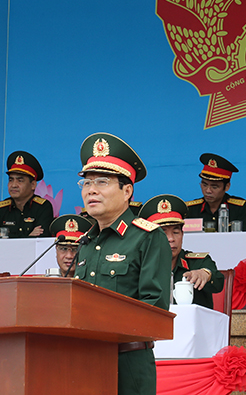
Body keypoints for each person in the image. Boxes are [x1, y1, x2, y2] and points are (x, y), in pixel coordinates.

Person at [73, 132, 170, 395]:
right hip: (82, 362)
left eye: (102, 182)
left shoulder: (148, 237)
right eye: (86, 183)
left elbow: (155, 309)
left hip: (127, 364)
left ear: (127, 190)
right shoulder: (86, 241)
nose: (91, 190)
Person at [144, 195, 224, 309]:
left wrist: (206, 274)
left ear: (182, 235)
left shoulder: (198, 262)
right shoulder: (142, 264)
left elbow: (218, 282)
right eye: (163, 233)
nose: (171, 239)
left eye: (176, 232)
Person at [185, 153, 246, 231]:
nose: (208, 191)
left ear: (227, 187)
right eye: (204, 185)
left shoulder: (240, 208)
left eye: (214, 187)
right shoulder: (190, 209)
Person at [0, 151, 53, 238]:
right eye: (11, 180)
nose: (13, 185)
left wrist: (4, 237)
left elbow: (40, 240)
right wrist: (28, 235)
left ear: (33, 185)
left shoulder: (43, 207)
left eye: (20, 180)